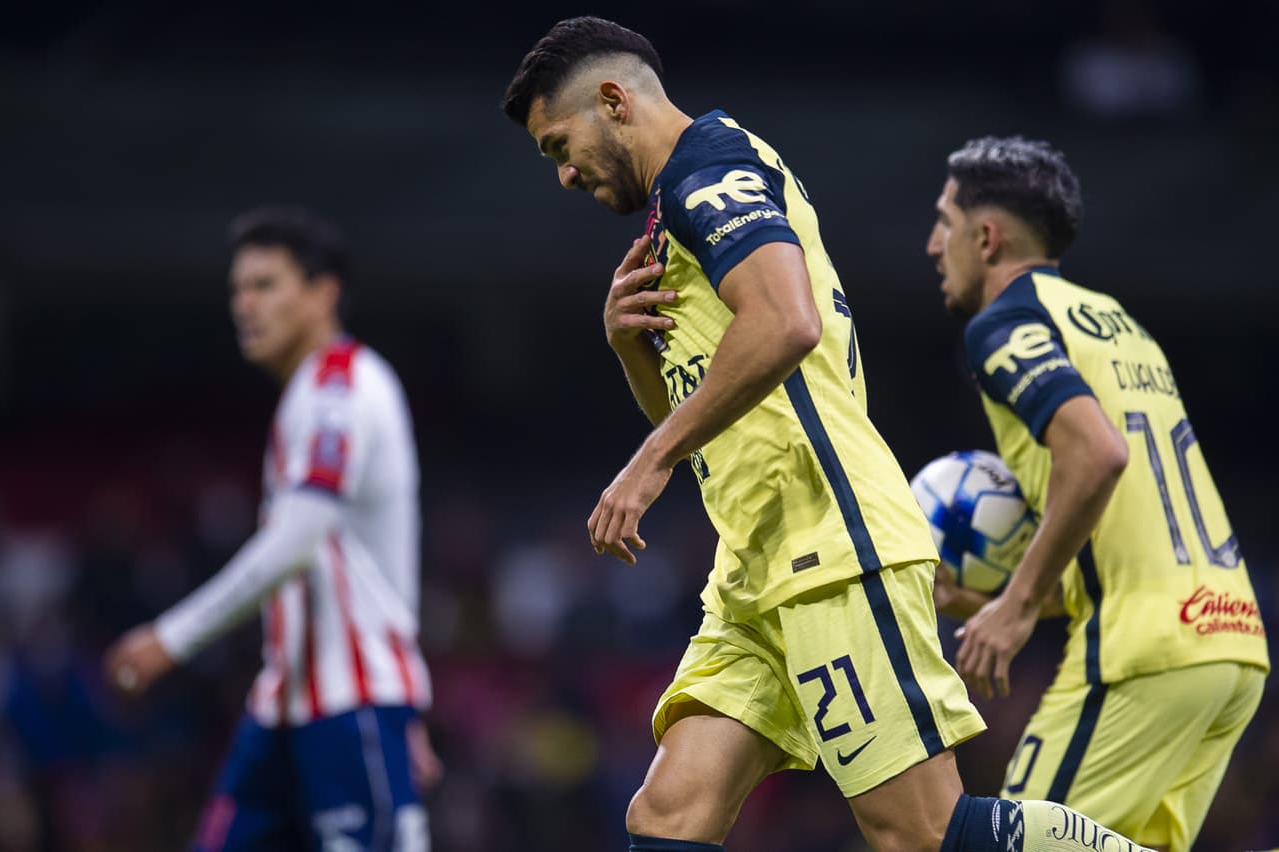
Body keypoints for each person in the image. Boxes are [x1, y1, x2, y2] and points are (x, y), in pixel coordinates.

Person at [503, 17, 1160, 852]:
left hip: (833, 545)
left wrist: (647, 464)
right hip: (756, 569)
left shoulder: (712, 169)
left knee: (919, 833)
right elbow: (703, 414)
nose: (563, 173)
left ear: (612, 100)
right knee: (668, 816)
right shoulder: (675, 219)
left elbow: (786, 324)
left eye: (560, 144)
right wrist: (630, 347)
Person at [925, 136, 1268, 852]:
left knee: (1013, 843)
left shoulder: (1006, 325)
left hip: (1141, 651)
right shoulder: (1122, 327)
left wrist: (1014, 612)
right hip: (1231, 641)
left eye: (944, 221)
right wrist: (1012, 595)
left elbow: (1098, 457)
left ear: (986, 237)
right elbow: (1129, 529)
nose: (933, 244)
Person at [104, 206, 442, 851]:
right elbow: (378, 560)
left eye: (265, 285)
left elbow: (298, 541)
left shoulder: (341, 392)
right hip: (285, 707)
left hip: (350, 708)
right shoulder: (310, 395)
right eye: (237, 288)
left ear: (324, 293)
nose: (244, 304)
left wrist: (169, 640)